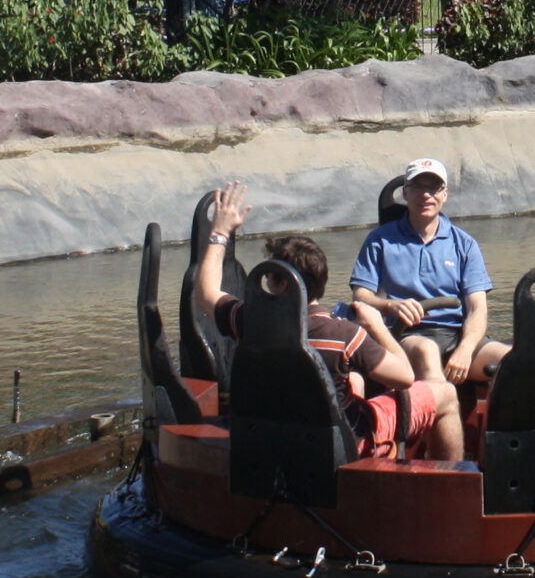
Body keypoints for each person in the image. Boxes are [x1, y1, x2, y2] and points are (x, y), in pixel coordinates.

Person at [196, 180, 461, 461]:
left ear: (279, 283)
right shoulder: (345, 335)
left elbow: (205, 293)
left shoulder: (250, 320)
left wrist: (220, 232)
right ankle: (449, 478)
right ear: (320, 283)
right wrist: (377, 327)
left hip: (275, 440)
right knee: (444, 393)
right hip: (342, 446)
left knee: (355, 381)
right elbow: (405, 378)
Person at [350, 158, 508, 387]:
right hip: (406, 335)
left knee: (514, 360)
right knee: (427, 352)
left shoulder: (465, 243)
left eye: (434, 188)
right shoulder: (379, 240)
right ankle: (441, 405)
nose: (426, 195)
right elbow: (361, 296)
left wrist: (465, 350)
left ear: (445, 194)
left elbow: (477, 308)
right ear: (405, 193)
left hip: (456, 336)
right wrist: (391, 305)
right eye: (417, 187)